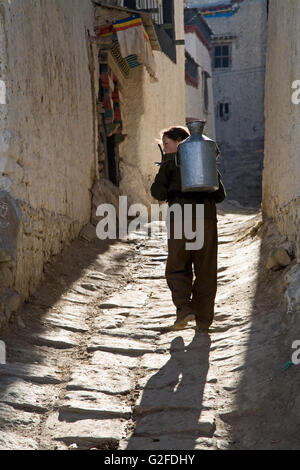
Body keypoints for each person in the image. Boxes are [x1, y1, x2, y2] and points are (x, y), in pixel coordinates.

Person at [150, 124, 226, 332]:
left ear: (179, 142)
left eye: (166, 144)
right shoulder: (205, 160)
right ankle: (204, 320)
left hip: (180, 220)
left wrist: (165, 167)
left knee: (177, 266)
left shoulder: (169, 164)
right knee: (206, 270)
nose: (165, 149)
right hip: (207, 220)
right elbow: (220, 195)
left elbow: (157, 192)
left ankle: (184, 309)